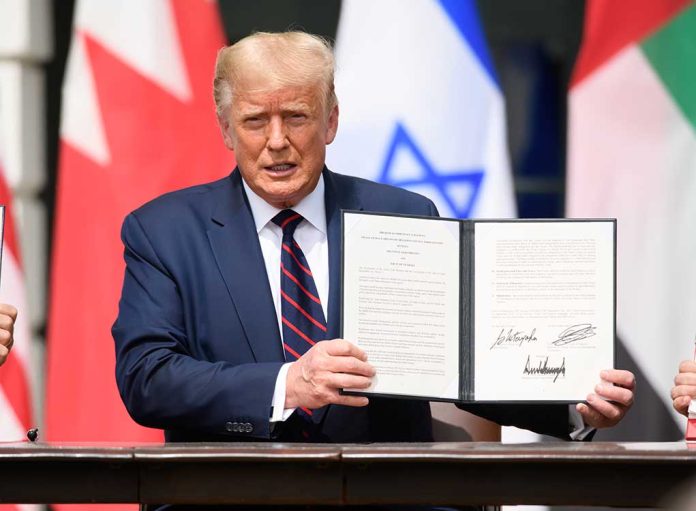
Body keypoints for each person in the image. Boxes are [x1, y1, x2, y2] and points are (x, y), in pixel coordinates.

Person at [112, 31, 634, 445]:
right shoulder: (164, 232)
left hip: (386, 495)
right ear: (226, 129)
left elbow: (465, 366)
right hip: (230, 500)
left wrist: (571, 400)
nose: (277, 142)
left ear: (331, 121)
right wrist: (286, 384)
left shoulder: (405, 217)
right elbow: (147, 377)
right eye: (254, 121)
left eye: (296, 116)